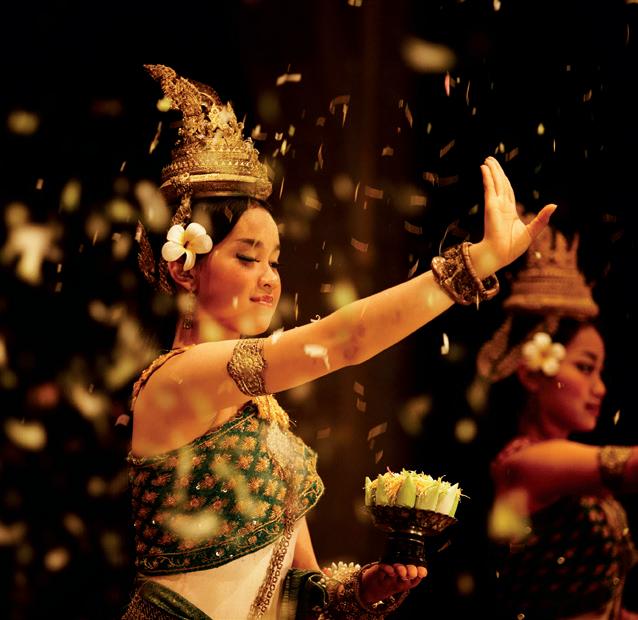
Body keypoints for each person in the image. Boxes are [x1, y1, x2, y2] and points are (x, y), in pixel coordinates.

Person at [120, 63, 555, 619]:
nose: (269, 278)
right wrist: (473, 264)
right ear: (185, 268)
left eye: (275, 261)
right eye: (248, 257)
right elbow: (341, 342)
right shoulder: (178, 377)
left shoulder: (265, 415)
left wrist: (365, 587)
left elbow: (305, 594)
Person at [476, 218, 638, 619]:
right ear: (532, 374)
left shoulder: (562, 465)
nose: (600, 388)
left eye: (599, 371)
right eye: (585, 368)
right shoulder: (525, 464)